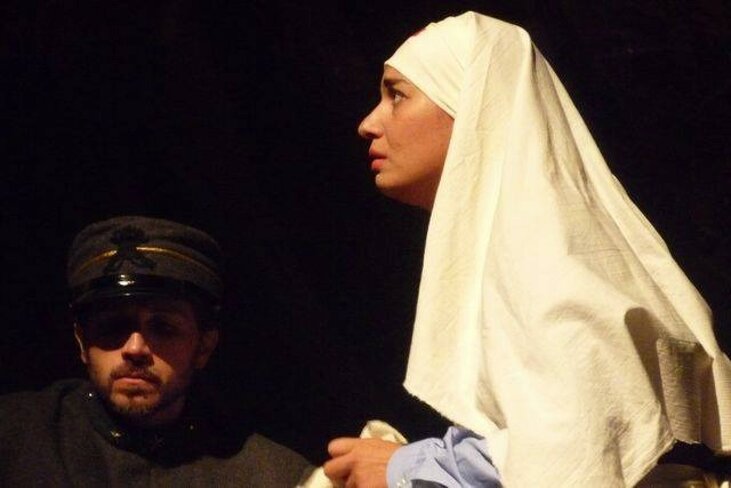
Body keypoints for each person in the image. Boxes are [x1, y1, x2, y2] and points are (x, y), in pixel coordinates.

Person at [323, 11, 731, 487]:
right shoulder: (531, 252)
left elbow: (576, 456)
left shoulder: (552, 266)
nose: (368, 124)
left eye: (397, 95)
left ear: (472, 103)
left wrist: (408, 468)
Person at [0, 215, 313, 487]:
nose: (135, 348)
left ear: (204, 346)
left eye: (164, 328)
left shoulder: (271, 474)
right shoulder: (15, 438)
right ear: (82, 342)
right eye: (113, 326)